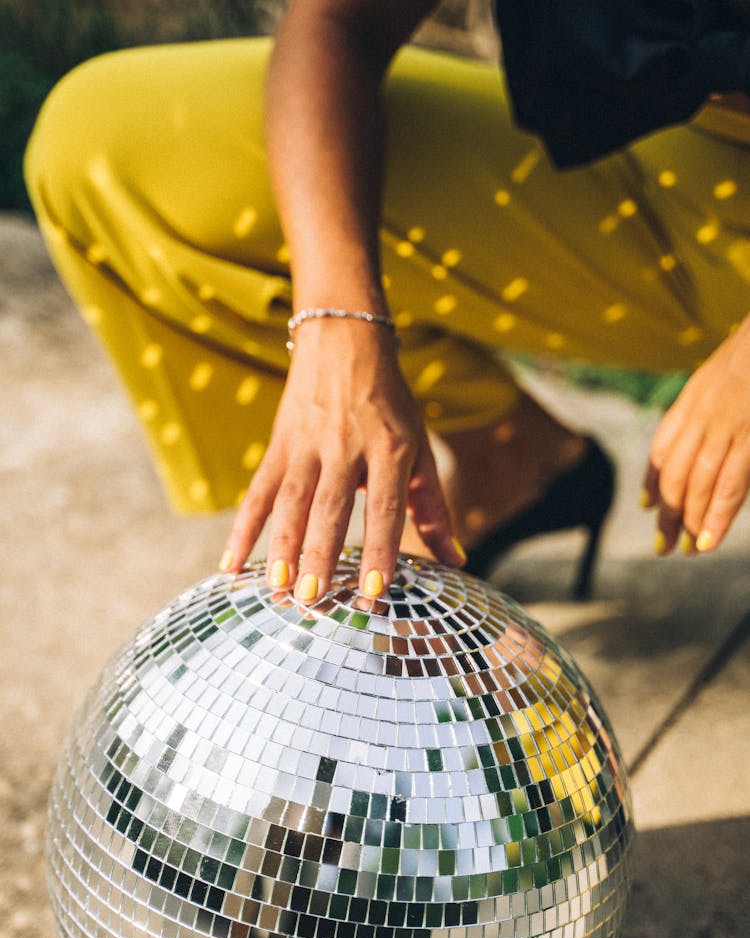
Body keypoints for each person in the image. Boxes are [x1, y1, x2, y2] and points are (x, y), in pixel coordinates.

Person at [24, 0, 750, 605]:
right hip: (666, 172)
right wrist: (337, 320)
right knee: (109, 141)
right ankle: (507, 459)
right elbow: (338, 23)